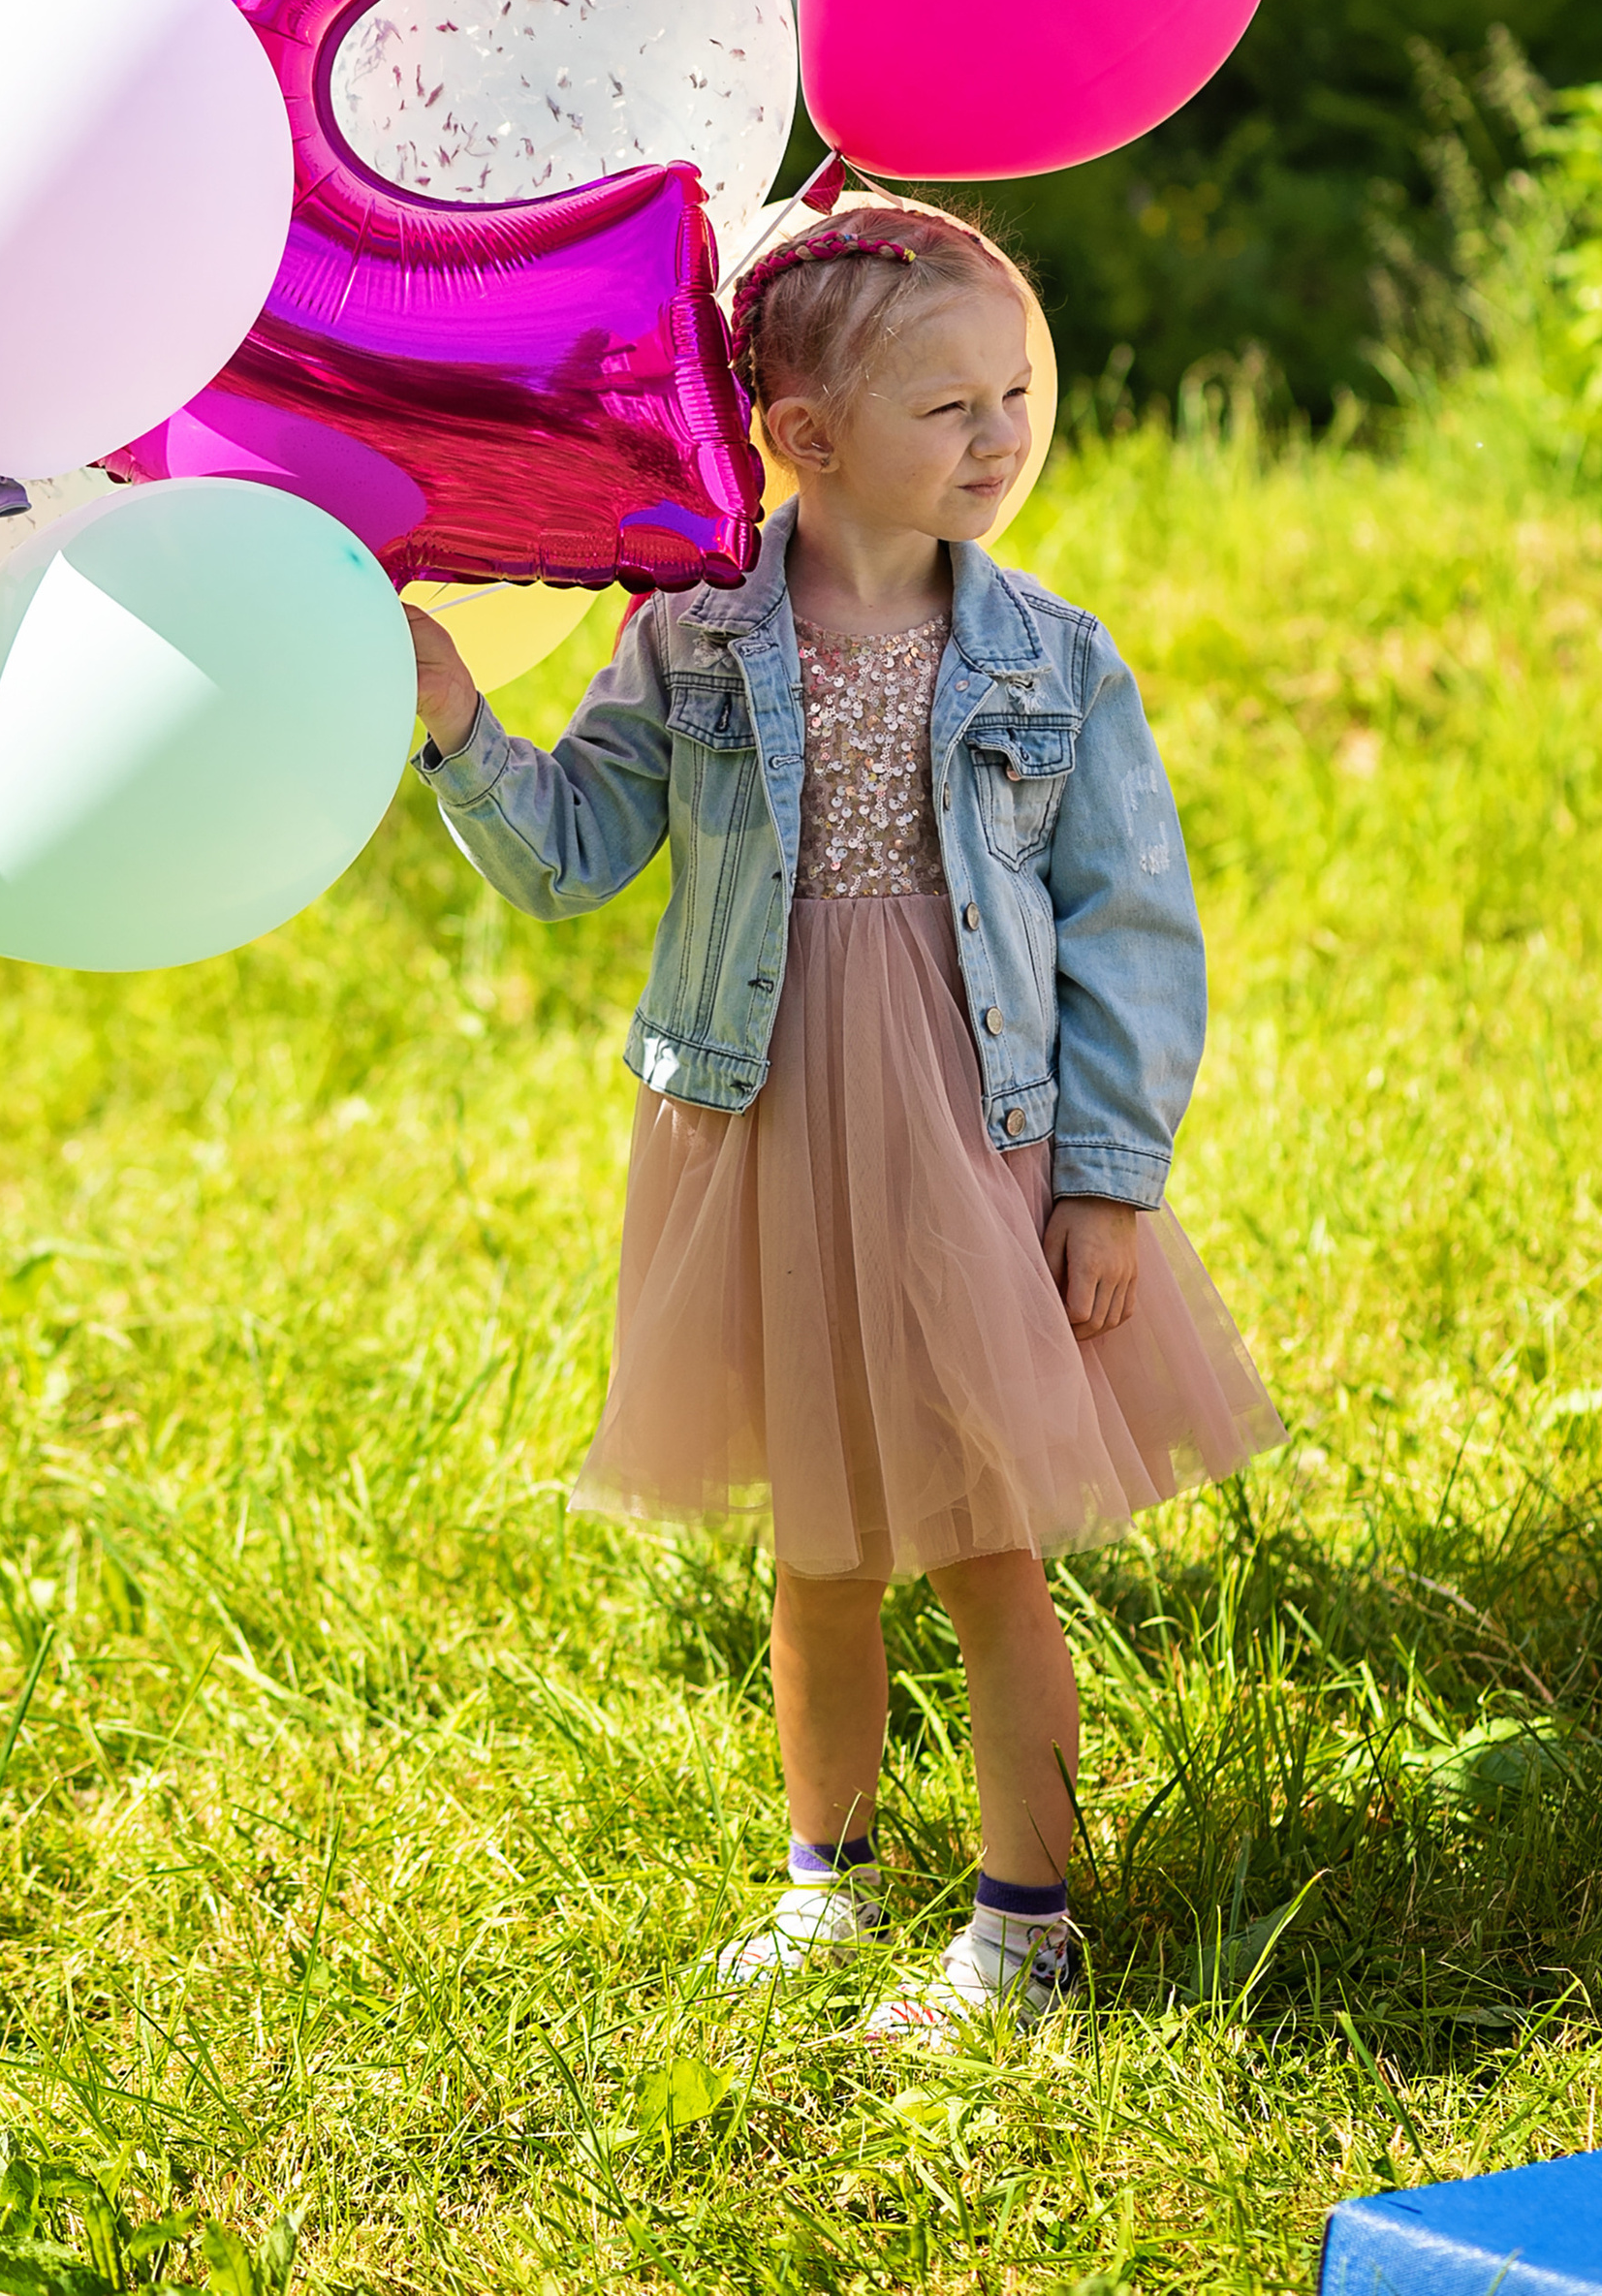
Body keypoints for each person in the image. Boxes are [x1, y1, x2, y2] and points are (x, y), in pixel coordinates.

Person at [405, 203, 1279, 2040]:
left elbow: (1132, 926)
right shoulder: (699, 634)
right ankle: (829, 1880)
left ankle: (1026, 1920)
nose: (1000, 434)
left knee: (983, 1532)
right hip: (767, 1126)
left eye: (1015, 392)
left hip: (976, 1137)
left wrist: (1109, 1185)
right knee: (821, 1536)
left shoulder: (1054, 660)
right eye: (950, 404)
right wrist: (459, 728)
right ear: (801, 439)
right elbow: (574, 854)